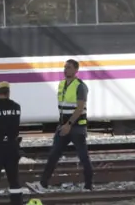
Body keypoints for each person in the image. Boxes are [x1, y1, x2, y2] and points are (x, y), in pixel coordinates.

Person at [27, 59, 94, 193]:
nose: (65, 70)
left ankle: (88, 186)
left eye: (68, 67)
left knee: (83, 156)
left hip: (76, 127)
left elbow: (80, 108)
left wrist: (69, 124)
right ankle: (43, 184)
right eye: (65, 67)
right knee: (53, 155)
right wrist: (62, 125)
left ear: (76, 70)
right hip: (63, 127)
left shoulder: (80, 86)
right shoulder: (62, 84)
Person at [0, 82, 24, 205]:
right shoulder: (16, 107)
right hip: (12, 146)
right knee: (13, 179)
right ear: (8, 92)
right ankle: (16, 202)